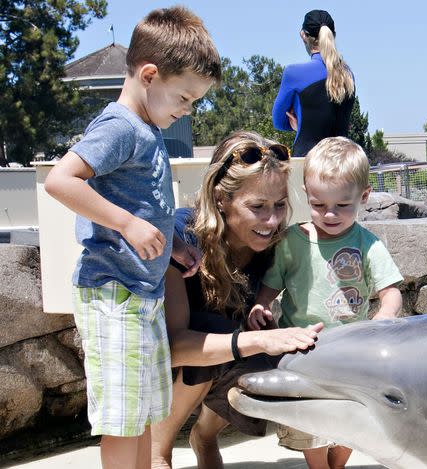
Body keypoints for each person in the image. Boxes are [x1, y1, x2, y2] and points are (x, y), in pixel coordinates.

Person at [44, 7, 221, 469]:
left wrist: (171, 246)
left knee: (142, 411)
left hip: (140, 295)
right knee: (124, 417)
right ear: (148, 74)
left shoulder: (148, 129)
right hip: (113, 294)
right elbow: (61, 181)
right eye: (183, 97)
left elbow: (146, 208)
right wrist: (126, 223)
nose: (186, 110)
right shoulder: (120, 126)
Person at [150, 131, 323, 469]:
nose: (271, 221)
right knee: (213, 329)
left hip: (223, 354)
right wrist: (259, 339)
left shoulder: (273, 247)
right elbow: (172, 346)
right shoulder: (182, 238)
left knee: (269, 365)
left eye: (279, 206)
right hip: (163, 366)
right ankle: (159, 447)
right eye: (257, 207)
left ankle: (205, 434)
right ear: (220, 199)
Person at [248, 136, 404, 469]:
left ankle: (338, 464)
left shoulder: (367, 244)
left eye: (342, 206)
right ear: (306, 195)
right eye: (319, 205)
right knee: (309, 420)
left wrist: (384, 316)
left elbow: (391, 291)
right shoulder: (291, 241)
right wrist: (260, 306)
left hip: (351, 351)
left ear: (363, 197)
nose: (329, 214)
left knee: (350, 421)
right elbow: (270, 286)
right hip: (303, 350)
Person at [272, 10, 355, 157]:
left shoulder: (294, 73)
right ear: (333, 35)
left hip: (309, 163)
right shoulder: (347, 74)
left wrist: (303, 125)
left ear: (303, 35)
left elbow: (279, 121)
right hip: (343, 163)